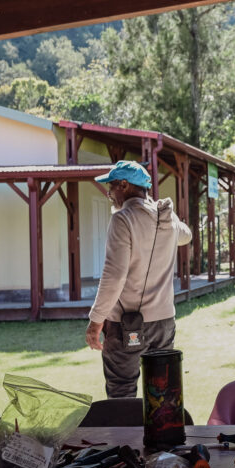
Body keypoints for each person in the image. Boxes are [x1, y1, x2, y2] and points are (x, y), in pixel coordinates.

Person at [85, 160, 192, 398]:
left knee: (122, 392)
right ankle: (163, 435)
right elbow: (187, 235)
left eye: (111, 186)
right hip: (164, 322)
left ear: (124, 185)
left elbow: (114, 275)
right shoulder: (167, 218)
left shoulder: (122, 219)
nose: (109, 194)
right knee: (163, 394)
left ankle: (125, 437)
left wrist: (96, 320)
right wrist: (158, 215)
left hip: (126, 324)